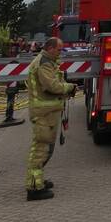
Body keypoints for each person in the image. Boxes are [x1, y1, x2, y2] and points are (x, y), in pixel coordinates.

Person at [25, 37, 76, 201]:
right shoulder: (44, 64)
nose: (61, 52)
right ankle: (34, 188)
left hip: (47, 112)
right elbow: (51, 86)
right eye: (59, 49)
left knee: (45, 149)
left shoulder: (46, 62)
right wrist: (69, 87)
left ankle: (37, 181)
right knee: (40, 150)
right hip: (44, 113)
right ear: (51, 48)